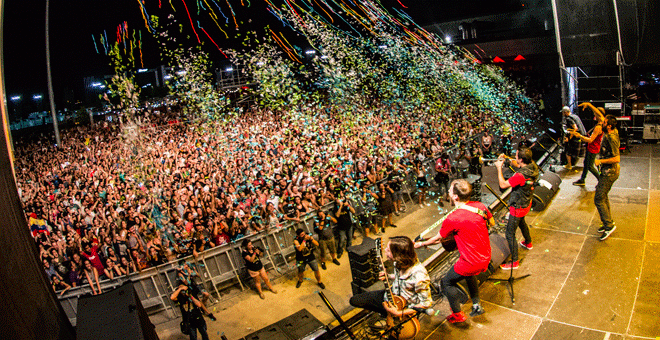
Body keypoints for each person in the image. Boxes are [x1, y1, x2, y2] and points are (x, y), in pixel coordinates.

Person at [414, 179, 494, 323]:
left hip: (470, 261)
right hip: (486, 256)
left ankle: (457, 315)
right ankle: (476, 305)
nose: (448, 193)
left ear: (456, 197)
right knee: (470, 275)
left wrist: (421, 244)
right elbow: (491, 222)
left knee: (446, 283)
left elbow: (438, 239)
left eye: (450, 190)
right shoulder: (480, 206)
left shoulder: (453, 218)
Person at [349, 236, 432, 326]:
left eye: (388, 250)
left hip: (403, 310)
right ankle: (385, 313)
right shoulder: (398, 262)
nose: (385, 251)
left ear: (398, 255)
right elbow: (398, 277)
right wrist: (388, 276)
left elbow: (426, 304)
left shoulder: (419, 276)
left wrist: (398, 313)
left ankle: (390, 316)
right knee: (355, 300)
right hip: (389, 297)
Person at [495, 147, 539, 270]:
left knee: (509, 234)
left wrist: (499, 167)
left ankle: (515, 262)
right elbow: (517, 163)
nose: (515, 157)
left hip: (518, 206)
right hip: (527, 202)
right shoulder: (532, 165)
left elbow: (503, 185)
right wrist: (508, 159)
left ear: (521, 159)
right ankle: (528, 242)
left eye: (516, 156)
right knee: (522, 222)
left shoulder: (520, 176)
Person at [594, 115, 620, 240]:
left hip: (609, 173)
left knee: (598, 199)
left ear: (609, 126)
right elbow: (600, 115)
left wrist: (601, 162)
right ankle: (607, 222)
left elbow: (617, 158)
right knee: (603, 196)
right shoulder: (612, 130)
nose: (601, 123)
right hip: (607, 172)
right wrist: (589, 105)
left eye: (604, 122)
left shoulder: (612, 138)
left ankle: (609, 226)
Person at [570, 103, 605, 186]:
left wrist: (579, 136)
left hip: (593, 148)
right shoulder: (601, 123)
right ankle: (582, 180)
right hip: (592, 148)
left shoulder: (598, 127)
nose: (594, 115)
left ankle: (601, 181)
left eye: (595, 114)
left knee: (590, 166)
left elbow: (590, 140)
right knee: (586, 164)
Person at [561, 106, 587, 170]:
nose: (563, 114)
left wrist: (569, 138)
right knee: (583, 152)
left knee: (568, 151)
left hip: (577, 136)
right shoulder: (575, 116)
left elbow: (575, 128)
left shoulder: (569, 119)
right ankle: (587, 165)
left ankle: (569, 165)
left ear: (565, 112)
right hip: (583, 135)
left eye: (563, 113)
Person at [334, 193, 356, 259]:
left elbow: (353, 211)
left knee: (349, 238)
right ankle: (340, 251)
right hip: (341, 227)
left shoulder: (346, 206)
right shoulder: (336, 208)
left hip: (349, 225)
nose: (341, 201)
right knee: (341, 240)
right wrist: (340, 207)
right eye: (339, 200)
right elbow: (337, 215)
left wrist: (348, 205)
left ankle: (348, 248)